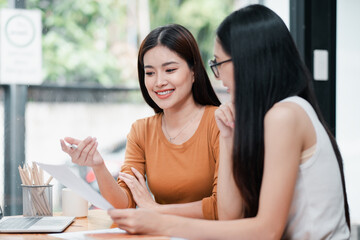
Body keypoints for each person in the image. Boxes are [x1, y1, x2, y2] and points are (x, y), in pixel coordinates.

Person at [107, 4, 351, 239]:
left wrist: (162, 219)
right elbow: (228, 215)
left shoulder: (285, 115)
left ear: (250, 61)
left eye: (219, 63)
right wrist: (227, 136)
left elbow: (266, 232)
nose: (218, 75)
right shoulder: (272, 115)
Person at [60, 24, 221, 220]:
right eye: (150, 73)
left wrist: (156, 210)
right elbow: (124, 205)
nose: (159, 81)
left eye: (170, 70)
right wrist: (99, 166)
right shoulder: (142, 130)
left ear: (194, 71)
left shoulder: (219, 122)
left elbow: (223, 206)